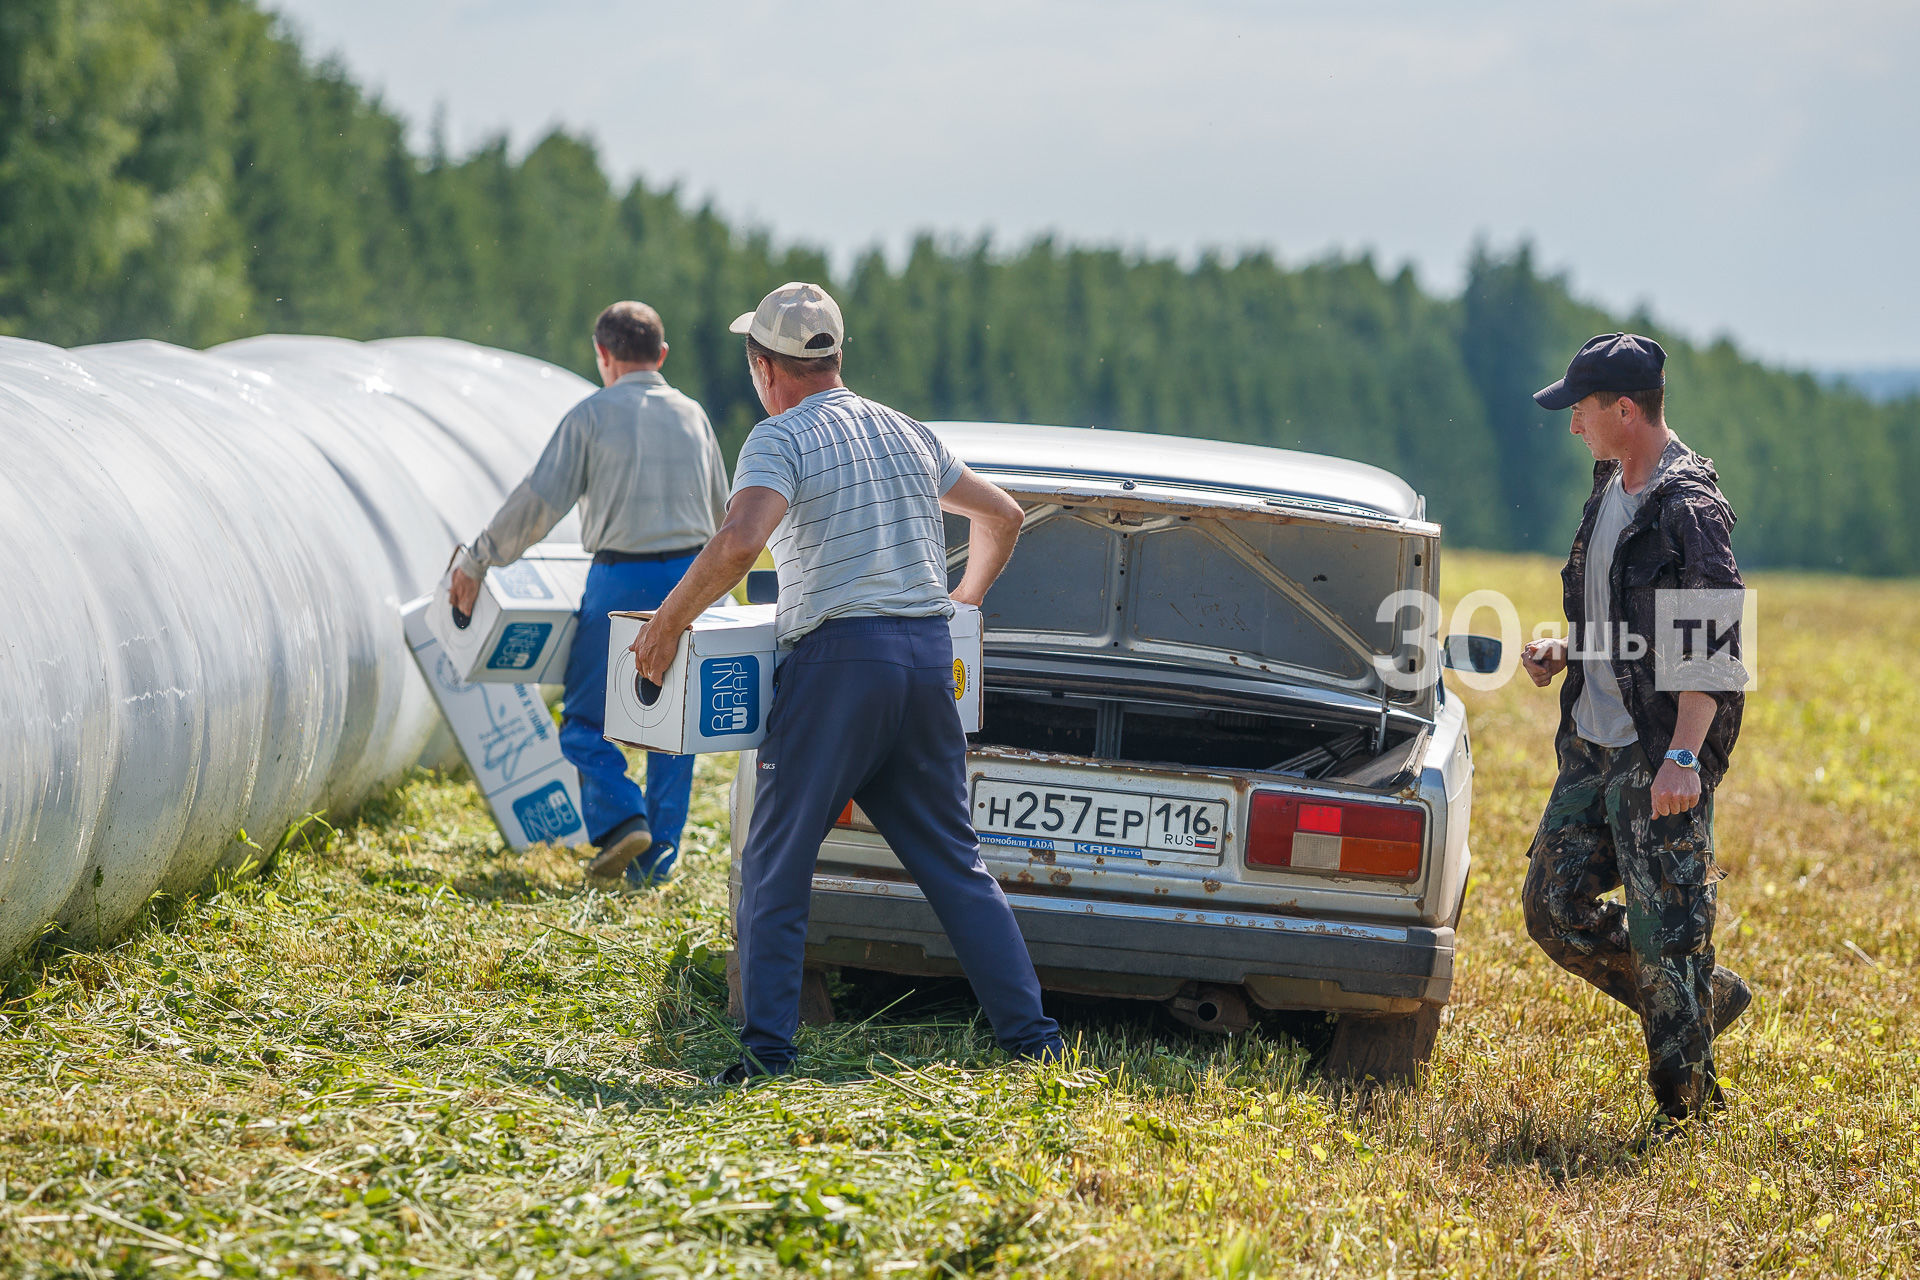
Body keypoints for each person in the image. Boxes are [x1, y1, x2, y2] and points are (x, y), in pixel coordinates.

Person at [630, 282, 1065, 1083]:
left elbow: (739, 541)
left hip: (838, 666)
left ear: (765, 366)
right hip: (925, 661)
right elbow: (1001, 516)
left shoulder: (777, 437)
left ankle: (766, 1054)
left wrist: (666, 625)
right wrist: (958, 607)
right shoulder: (908, 433)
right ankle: (1034, 1042)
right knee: (953, 862)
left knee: (777, 857)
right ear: (835, 356)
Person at [1518, 332, 1751, 1136]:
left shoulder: (1689, 510)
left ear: (1625, 409)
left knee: (1670, 931)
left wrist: (1685, 756)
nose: (1573, 424)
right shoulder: (1609, 483)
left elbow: (1712, 653)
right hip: (1593, 742)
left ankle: (1685, 1118)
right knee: (1552, 906)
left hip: (1658, 751)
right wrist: (1569, 645)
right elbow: (1620, 615)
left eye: (1580, 410)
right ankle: (1693, 994)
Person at [450, 301, 728, 888]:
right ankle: (657, 865)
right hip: (689, 580)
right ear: (663, 355)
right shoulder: (694, 417)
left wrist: (478, 559)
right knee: (673, 726)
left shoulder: (591, 417)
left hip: (618, 580)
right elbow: (721, 515)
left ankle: (622, 814)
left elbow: (539, 504)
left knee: (584, 719)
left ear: (603, 356)